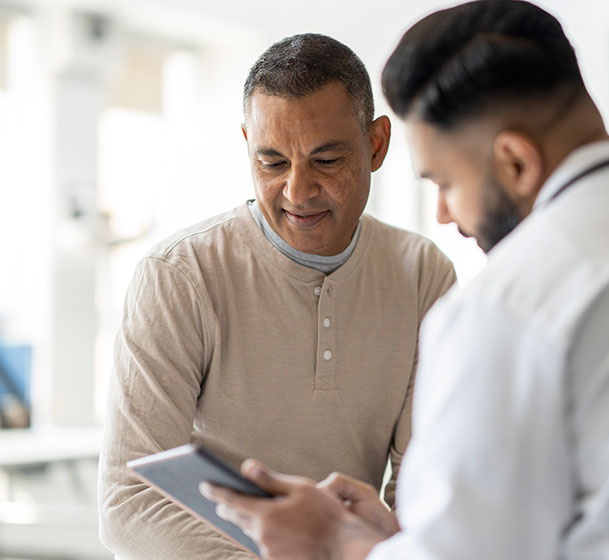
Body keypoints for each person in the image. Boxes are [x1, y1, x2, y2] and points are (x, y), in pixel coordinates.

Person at [200, 1, 609, 559]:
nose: (444, 216)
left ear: (515, 162)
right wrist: (402, 539)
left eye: (444, 183)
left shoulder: (508, 305)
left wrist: (332, 542)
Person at [97, 33, 456, 559]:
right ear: (247, 145)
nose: (297, 191)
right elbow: (128, 503)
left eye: (326, 160)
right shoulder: (179, 276)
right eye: (271, 163)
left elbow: (422, 491)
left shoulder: (423, 275)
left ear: (376, 144)